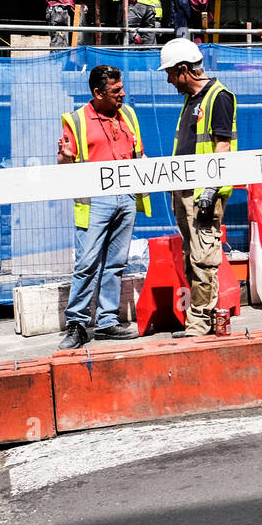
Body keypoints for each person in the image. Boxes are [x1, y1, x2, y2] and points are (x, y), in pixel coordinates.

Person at [57, 65, 152, 349]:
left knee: (115, 263)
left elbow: (139, 153)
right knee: (87, 263)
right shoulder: (76, 121)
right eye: (115, 91)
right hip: (94, 202)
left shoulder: (129, 116)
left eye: (121, 88)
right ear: (97, 93)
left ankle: (108, 322)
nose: (123, 94)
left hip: (125, 198)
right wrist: (63, 158)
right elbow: (64, 165)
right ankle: (76, 323)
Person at [160, 38, 237, 337]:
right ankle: (197, 320)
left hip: (202, 194)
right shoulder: (191, 100)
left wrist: (210, 189)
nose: (168, 79)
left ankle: (200, 324)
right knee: (192, 258)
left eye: (169, 72)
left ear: (183, 70)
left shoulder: (218, 96)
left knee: (204, 259)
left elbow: (223, 145)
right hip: (185, 191)